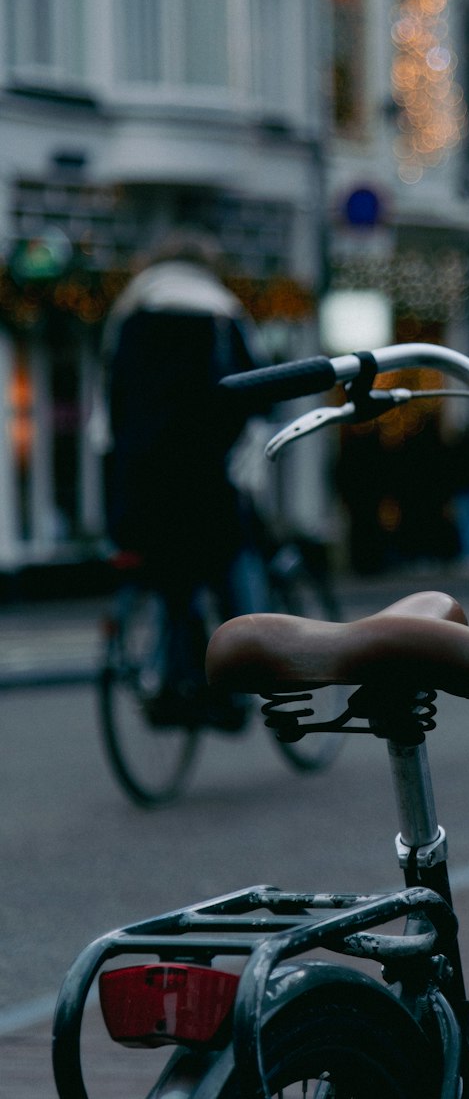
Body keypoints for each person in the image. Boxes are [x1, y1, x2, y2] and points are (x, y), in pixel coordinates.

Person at [100, 230, 267, 727]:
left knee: (172, 579)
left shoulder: (129, 313)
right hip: (203, 477)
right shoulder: (221, 310)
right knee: (233, 561)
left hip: (142, 478)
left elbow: (109, 403)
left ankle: (173, 682)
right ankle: (246, 672)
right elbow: (252, 388)